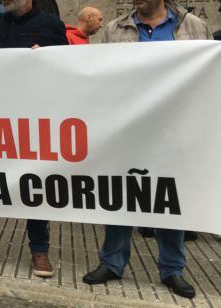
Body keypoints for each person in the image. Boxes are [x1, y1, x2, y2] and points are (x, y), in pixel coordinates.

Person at [82, 0, 212, 299]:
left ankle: (172, 270)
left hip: (175, 129)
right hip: (127, 128)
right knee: (120, 195)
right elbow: (100, 75)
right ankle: (112, 263)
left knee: (170, 198)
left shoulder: (193, 26)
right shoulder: (115, 29)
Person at [0, 0, 67, 278]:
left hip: (34, 117)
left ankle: (39, 249)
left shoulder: (51, 25)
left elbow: (68, 68)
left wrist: (48, 58)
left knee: (34, 182)